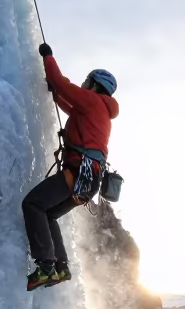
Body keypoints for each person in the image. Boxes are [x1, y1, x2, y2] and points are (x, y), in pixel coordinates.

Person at [22, 42, 118, 290]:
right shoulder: (99, 110)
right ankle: (61, 268)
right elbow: (68, 103)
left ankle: (46, 266)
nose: (84, 83)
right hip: (89, 181)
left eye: (87, 80)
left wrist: (48, 57)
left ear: (95, 85)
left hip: (78, 173)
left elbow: (63, 86)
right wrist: (53, 93)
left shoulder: (92, 101)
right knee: (49, 213)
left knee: (33, 204)